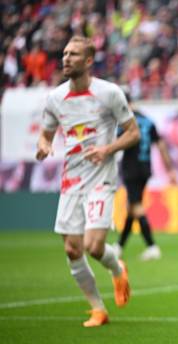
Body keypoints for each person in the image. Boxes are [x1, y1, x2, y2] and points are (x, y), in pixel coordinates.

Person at [35, 36, 140, 327]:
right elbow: (46, 133)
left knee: (94, 247)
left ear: (89, 60)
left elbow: (133, 133)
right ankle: (98, 309)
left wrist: (108, 149)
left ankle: (117, 267)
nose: (66, 58)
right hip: (71, 181)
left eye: (74, 54)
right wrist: (44, 144)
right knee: (71, 249)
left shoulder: (109, 93)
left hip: (100, 179)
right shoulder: (55, 98)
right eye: (65, 54)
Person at [115, 92, 177, 261]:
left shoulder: (125, 122)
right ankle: (119, 246)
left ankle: (152, 246)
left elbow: (116, 143)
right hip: (145, 169)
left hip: (130, 168)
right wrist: (170, 170)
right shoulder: (148, 120)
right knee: (132, 207)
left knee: (136, 207)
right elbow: (161, 146)